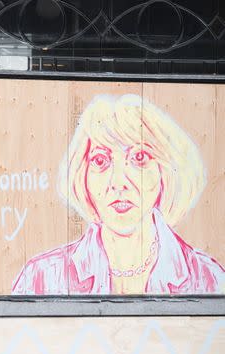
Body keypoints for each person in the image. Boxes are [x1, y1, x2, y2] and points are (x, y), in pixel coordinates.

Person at [12, 94, 224, 295]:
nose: (119, 183)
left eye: (139, 157)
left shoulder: (209, 278)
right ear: (81, 174)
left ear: (165, 172)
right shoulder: (41, 278)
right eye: (100, 160)